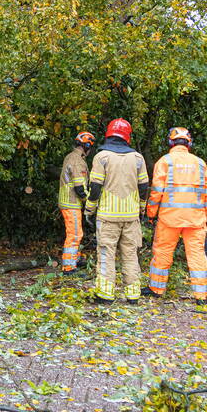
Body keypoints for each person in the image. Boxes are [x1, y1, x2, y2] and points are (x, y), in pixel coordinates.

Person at [146, 127, 207, 305]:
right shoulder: (200, 163)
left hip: (169, 218)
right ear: (188, 143)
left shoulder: (165, 161)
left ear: (171, 142)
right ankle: (201, 296)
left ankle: (156, 289)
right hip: (196, 219)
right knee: (197, 255)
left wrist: (151, 214)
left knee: (162, 252)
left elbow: (156, 192)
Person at [84, 119, 149, 304]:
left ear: (109, 134)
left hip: (107, 216)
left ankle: (105, 295)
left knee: (106, 254)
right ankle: (133, 295)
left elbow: (95, 187)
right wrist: (142, 208)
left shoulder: (102, 157)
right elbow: (144, 186)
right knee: (130, 254)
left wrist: (90, 209)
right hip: (131, 216)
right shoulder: (137, 158)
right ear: (127, 136)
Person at [59, 131, 95, 274]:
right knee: (74, 234)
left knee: (76, 232)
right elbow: (79, 187)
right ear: (86, 146)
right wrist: (90, 202)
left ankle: (75, 258)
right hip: (71, 202)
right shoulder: (77, 160)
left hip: (70, 202)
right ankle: (68, 266)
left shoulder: (72, 157)